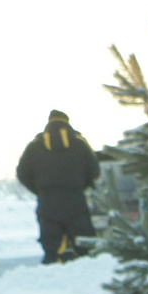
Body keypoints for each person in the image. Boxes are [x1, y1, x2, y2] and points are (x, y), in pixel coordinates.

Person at [16, 110, 99, 264]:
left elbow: (22, 173)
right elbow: (94, 170)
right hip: (75, 199)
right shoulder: (80, 143)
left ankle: (52, 273)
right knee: (83, 245)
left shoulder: (35, 146)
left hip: (47, 201)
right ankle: (85, 272)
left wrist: (40, 190)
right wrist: (81, 186)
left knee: (51, 246)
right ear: (67, 122)